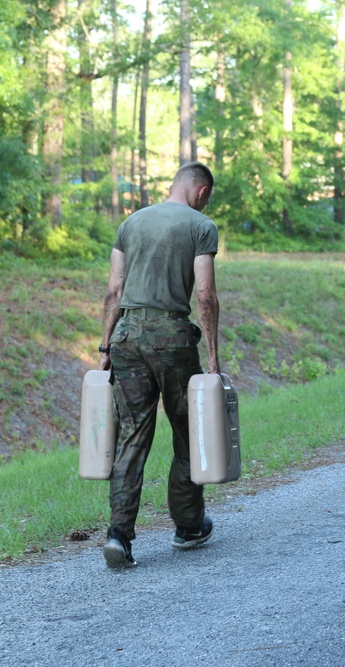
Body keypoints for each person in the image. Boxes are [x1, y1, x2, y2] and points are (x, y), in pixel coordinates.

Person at [97, 161, 221, 568]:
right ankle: (187, 526)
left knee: (132, 435)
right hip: (171, 340)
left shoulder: (131, 223)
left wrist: (104, 346)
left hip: (126, 339)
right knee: (188, 431)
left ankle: (119, 535)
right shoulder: (201, 226)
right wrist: (215, 361)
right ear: (201, 192)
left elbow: (114, 291)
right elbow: (204, 296)